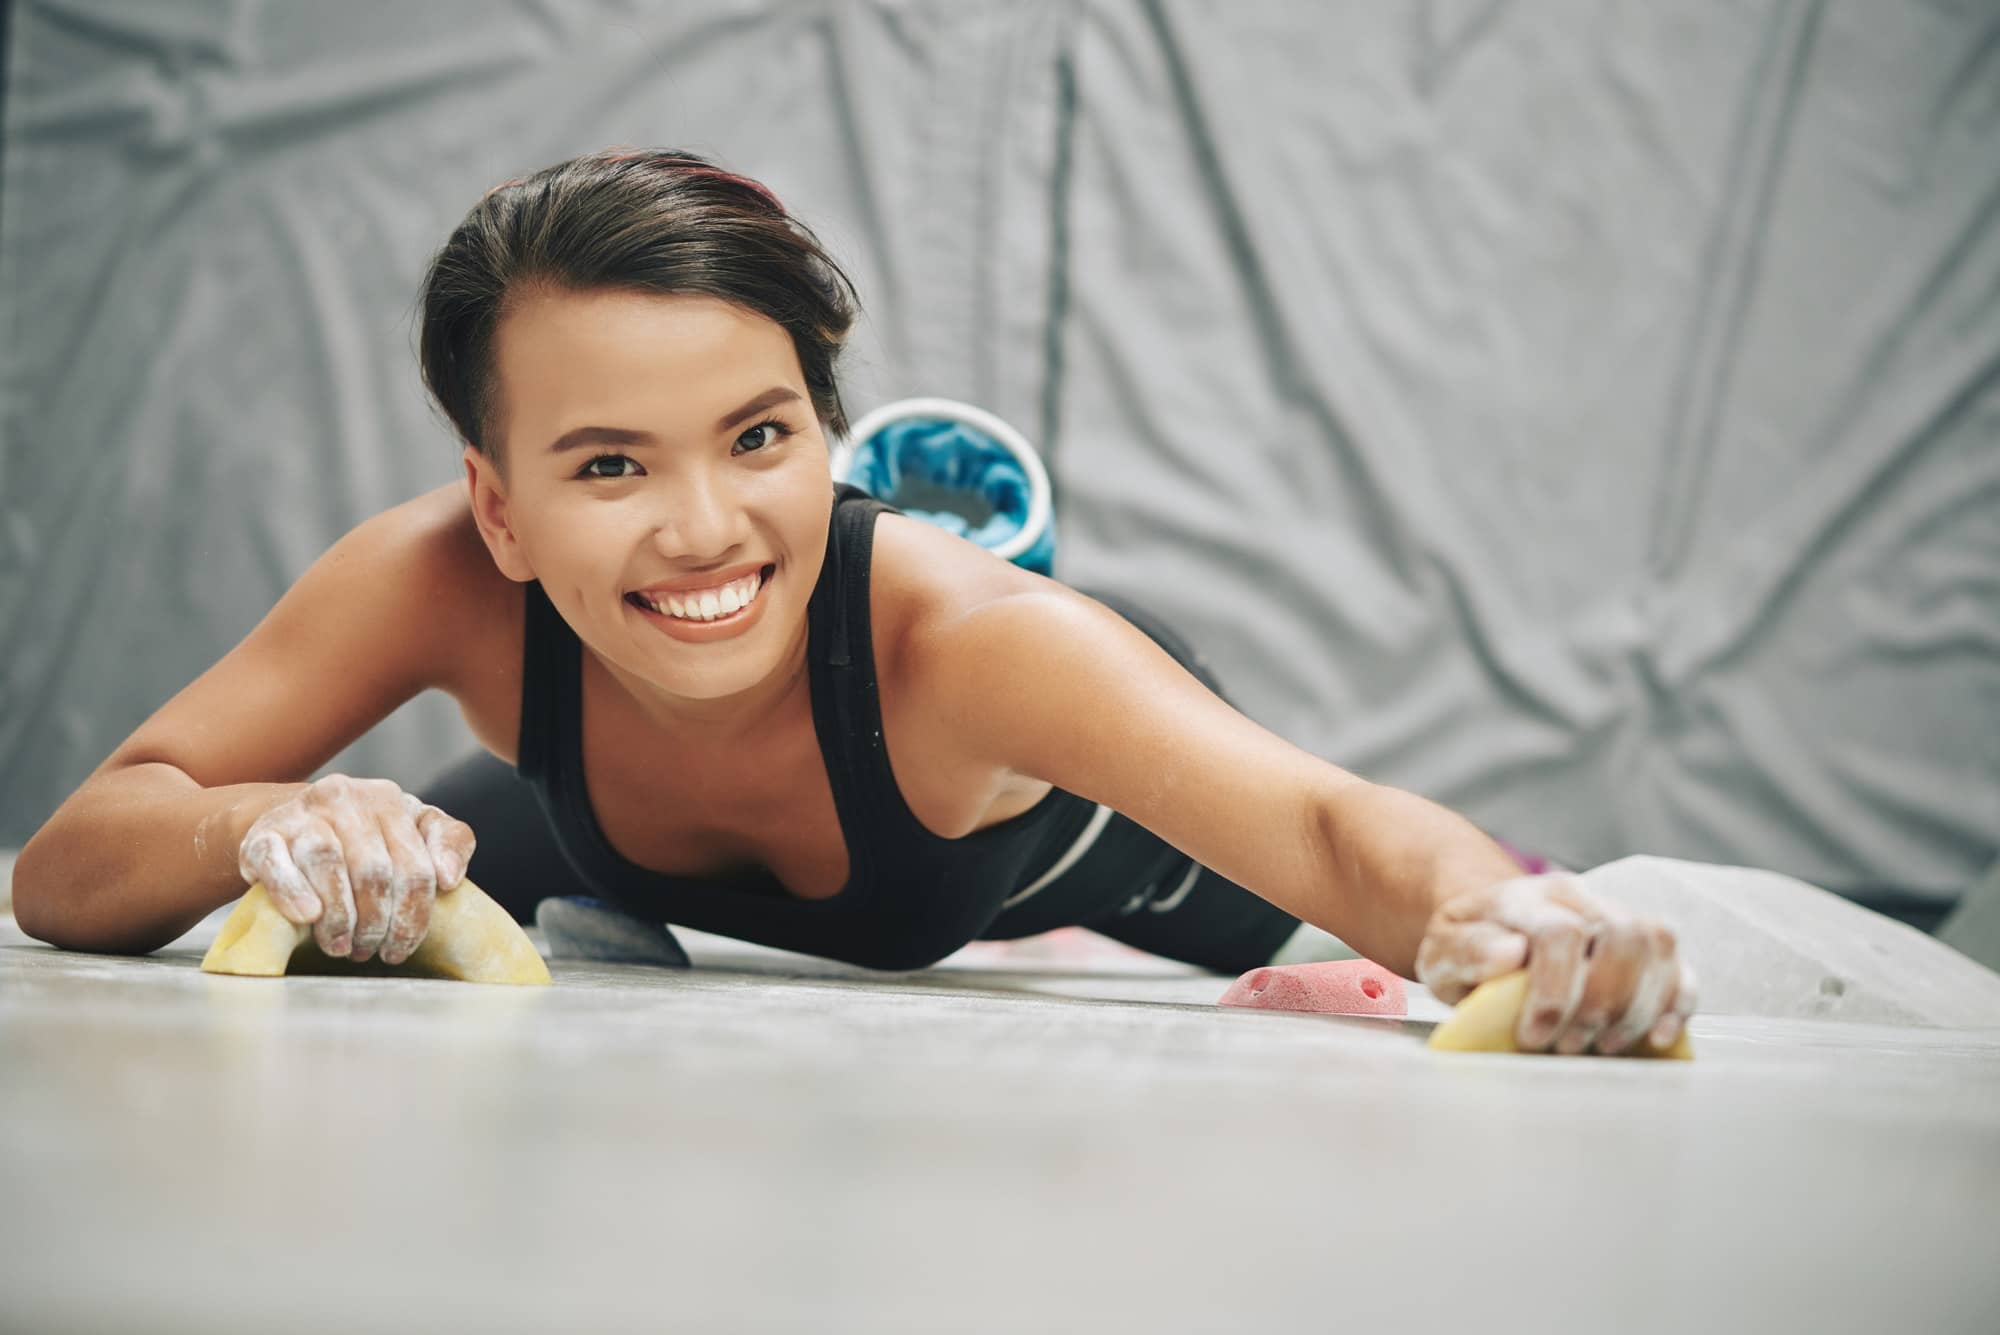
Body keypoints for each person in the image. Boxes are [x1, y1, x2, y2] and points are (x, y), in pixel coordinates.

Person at [13, 148, 1696, 1057]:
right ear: (496, 503)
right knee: (427, 841)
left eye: (760, 438)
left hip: (1080, 831)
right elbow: (70, 862)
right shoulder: (431, 582)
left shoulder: (965, 641)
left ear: (827, 429)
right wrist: (271, 826)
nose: (703, 529)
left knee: (1409, 919)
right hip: (598, 821)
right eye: (608, 467)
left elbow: (1331, 832)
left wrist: (1502, 919)